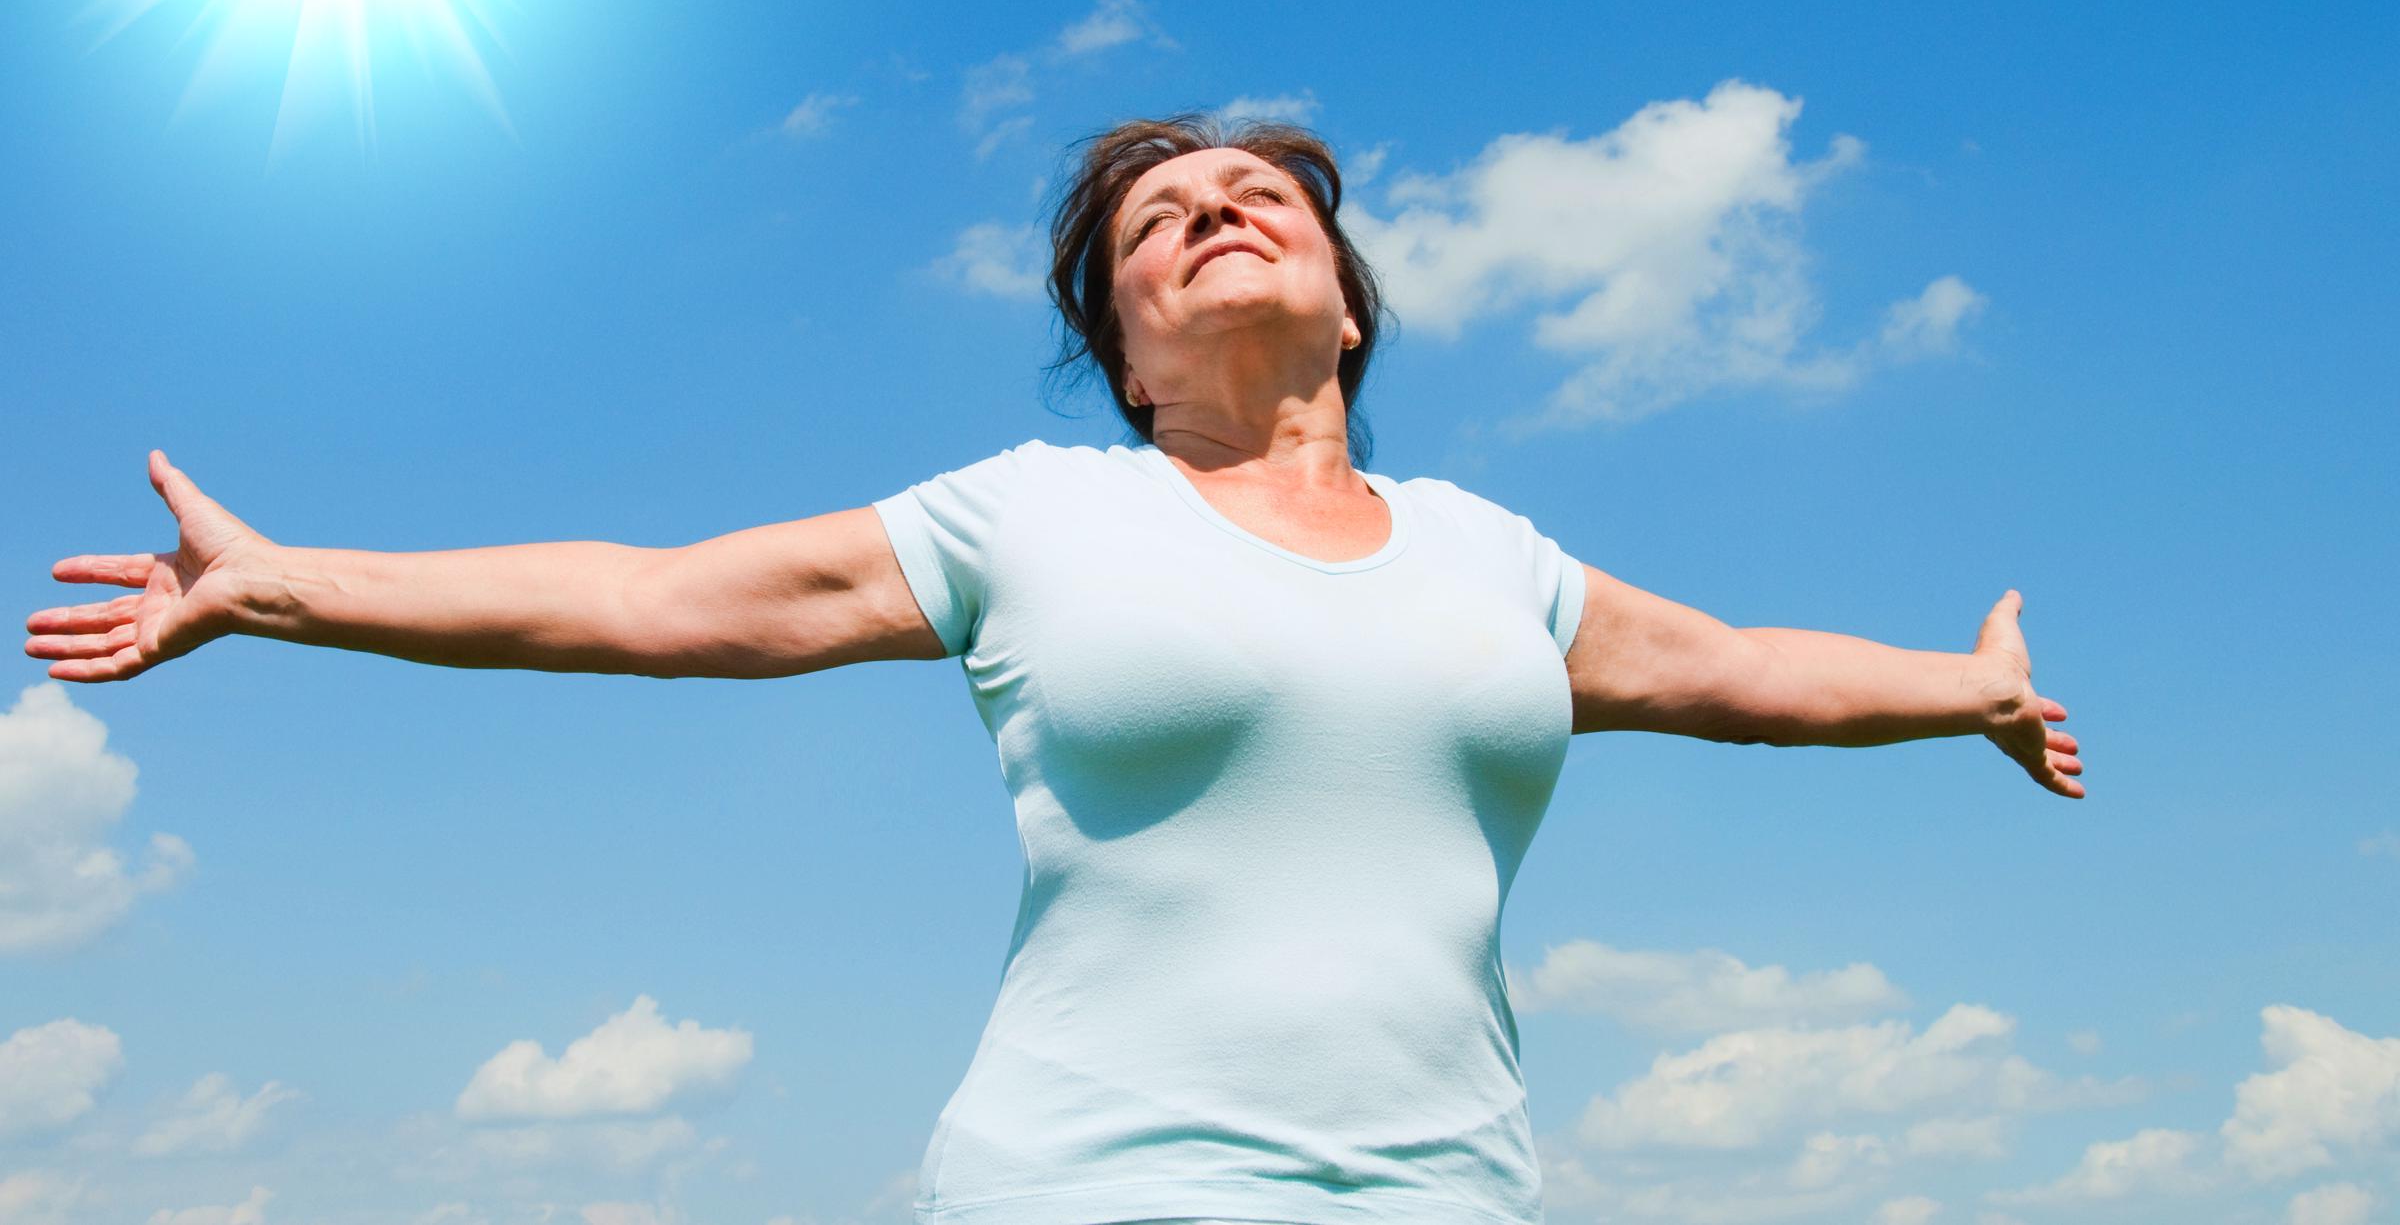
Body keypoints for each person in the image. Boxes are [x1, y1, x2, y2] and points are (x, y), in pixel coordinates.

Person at [25, 114, 2083, 1225]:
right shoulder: (1031, 514)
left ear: (1346, 308)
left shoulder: (1495, 558)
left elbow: (1738, 665)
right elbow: (659, 595)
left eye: (1257, 195)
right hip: (1091, 1188)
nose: (1216, 211)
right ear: (1121, 342)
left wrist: (1968, 686)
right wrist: (289, 581)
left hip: (1452, 1191)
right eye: (1161, 219)